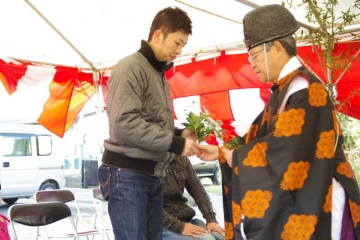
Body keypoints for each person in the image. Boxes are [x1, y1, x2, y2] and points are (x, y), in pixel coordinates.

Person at [196, 4, 360, 240]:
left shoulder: (304, 89)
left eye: (253, 56)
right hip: (307, 200)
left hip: (323, 202)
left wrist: (235, 157)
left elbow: (284, 150)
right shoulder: (285, 90)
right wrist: (222, 151)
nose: (251, 64)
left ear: (277, 48)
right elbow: (258, 134)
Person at [97, 7, 198, 240]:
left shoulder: (158, 73)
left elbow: (150, 124)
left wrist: (182, 133)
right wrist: (174, 144)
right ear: (158, 35)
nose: (180, 50)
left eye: (183, 45)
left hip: (152, 174)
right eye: (177, 42)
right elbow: (125, 123)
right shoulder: (130, 67)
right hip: (127, 173)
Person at [162, 155, 225, 240]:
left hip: (187, 220)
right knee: (208, 239)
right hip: (163, 226)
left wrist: (211, 220)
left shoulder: (181, 159)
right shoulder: (148, 163)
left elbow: (198, 191)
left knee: (224, 237)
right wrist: (180, 227)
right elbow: (149, 207)